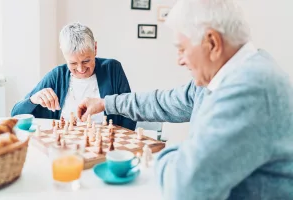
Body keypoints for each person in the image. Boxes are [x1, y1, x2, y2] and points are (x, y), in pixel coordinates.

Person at [76, 0, 293, 199]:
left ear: (213, 43)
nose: (179, 60)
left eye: (182, 49)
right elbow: (164, 101)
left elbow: (184, 187)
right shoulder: (221, 77)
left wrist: (170, 150)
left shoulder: (249, 87)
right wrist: (105, 103)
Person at [11, 22, 136, 130]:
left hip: (105, 145)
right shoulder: (56, 75)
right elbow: (15, 114)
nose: (81, 69)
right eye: (73, 63)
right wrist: (33, 100)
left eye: (86, 61)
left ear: (95, 48)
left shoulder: (112, 69)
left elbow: (130, 110)